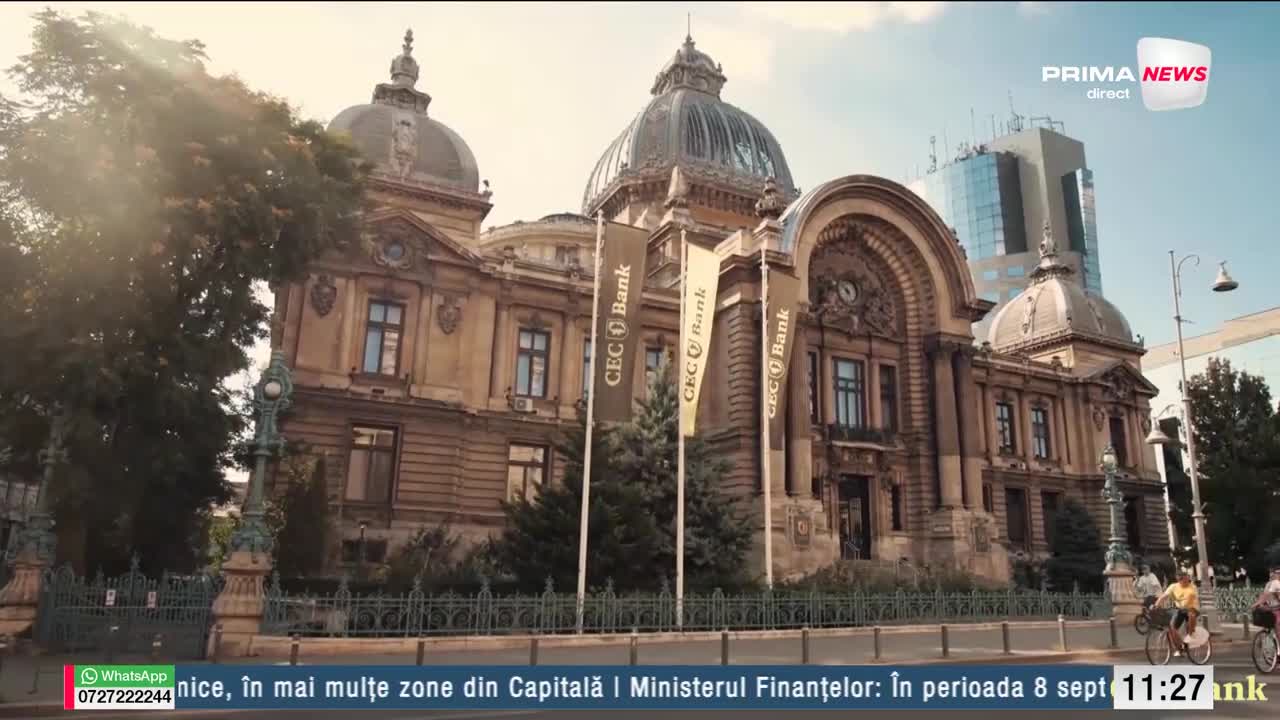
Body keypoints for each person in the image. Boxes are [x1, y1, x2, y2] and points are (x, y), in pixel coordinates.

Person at [1154, 571, 1199, 656]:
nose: (1183, 581)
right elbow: (1163, 596)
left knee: (1191, 617)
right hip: (1180, 610)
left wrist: (1186, 606)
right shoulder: (1173, 586)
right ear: (1178, 579)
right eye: (1181, 579)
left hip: (1192, 608)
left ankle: (1189, 638)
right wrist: (1156, 605)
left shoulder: (1192, 587)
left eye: (1185, 578)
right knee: (1172, 628)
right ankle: (1180, 648)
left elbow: (1192, 597)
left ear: (1187, 578)